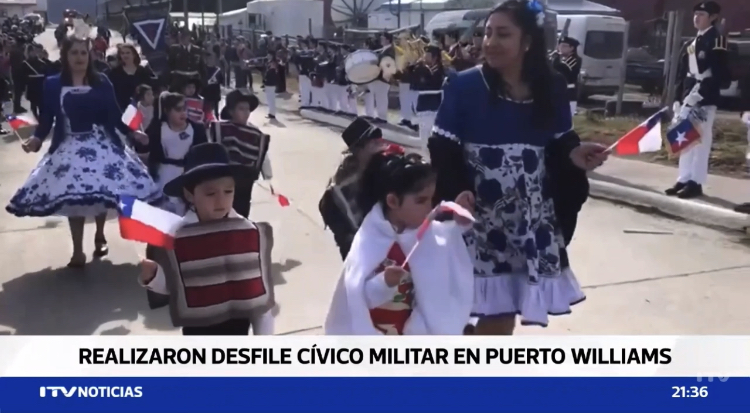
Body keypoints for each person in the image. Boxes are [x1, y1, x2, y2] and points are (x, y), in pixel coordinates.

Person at [428, 0, 608, 335]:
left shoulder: (552, 86)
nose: (490, 42)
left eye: (503, 34)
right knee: (463, 305)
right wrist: (457, 189)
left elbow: (559, 141)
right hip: (478, 215)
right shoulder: (464, 87)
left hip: (527, 217)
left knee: (504, 305)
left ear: (527, 42)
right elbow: (442, 146)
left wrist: (574, 154)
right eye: (487, 33)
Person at [6, 36, 162, 268]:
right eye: (74, 53)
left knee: (102, 192)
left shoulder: (102, 82)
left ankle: (100, 233)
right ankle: (78, 250)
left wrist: (133, 133)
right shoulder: (52, 84)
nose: (80, 57)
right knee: (74, 197)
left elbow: (114, 114)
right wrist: (37, 140)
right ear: (65, 56)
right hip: (69, 145)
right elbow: (47, 118)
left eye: (83, 53)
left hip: (101, 144)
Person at [324, 148, 475, 335]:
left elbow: (445, 244)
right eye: (421, 201)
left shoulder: (428, 233)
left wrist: (459, 221)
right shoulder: (370, 239)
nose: (430, 207)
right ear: (393, 201)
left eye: (431, 199)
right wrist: (384, 282)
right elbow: (356, 296)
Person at [139, 142, 276, 335]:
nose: (221, 200)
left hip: (237, 329)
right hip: (198, 331)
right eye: (210, 193)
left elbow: (260, 300)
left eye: (228, 191)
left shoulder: (247, 234)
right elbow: (178, 286)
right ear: (189, 194)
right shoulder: (177, 237)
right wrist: (154, 277)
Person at [665, 1, 730, 199]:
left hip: (704, 99)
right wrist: (678, 97)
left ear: (713, 17)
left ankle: (696, 182)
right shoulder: (690, 44)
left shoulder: (716, 40)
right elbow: (682, 74)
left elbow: (719, 75)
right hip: (687, 98)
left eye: (702, 14)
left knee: (700, 142)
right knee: (685, 139)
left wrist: (699, 95)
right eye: (696, 14)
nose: (696, 18)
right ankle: (684, 178)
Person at [319, 117, 386, 260]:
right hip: (360, 256)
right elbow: (344, 239)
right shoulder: (339, 191)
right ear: (359, 149)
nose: (379, 144)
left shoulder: (383, 171)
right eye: (372, 141)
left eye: (379, 139)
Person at [141, 92, 209, 215]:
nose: (183, 113)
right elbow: (142, 150)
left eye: (184, 108)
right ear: (167, 110)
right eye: (178, 109)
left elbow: (204, 156)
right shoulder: (157, 128)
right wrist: (143, 142)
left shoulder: (197, 129)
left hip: (188, 175)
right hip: (163, 175)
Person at [212, 89, 271, 218]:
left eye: (248, 109)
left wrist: (269, 177)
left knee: (241, 213)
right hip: (224, 179)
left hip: (245, 181)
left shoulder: (255, 133)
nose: (246, 113)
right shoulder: (220, 129)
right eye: (241, 109)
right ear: (231, 111)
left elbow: (262, 154)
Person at [412, 44, 445, 149]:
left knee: (431, 136)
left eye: (428, 55)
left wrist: (421, 70)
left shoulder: (439, 71)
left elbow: (433, 84)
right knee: (423, 136)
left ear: (435, 57)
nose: (425, 57)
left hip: (433, 107)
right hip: (423, 106)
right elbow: (414, 85)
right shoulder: (422, 69)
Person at [106, 44, 154, 112]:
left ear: (134, 54)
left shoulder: (142, 71)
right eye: (122, 53)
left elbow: (149, 88)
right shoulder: (115, 73)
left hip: (141, 109)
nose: (125, 55)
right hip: (122, 109)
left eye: (128, 53)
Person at [366, 32, 394, 123]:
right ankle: (380, 115)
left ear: (388, 40)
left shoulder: (390, 50)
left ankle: (383, 117)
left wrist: (376, 63)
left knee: (382, 97)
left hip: (384, 77)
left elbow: (387, 63)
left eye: (383, 38)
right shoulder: (383, 50)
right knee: (379, 97)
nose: (381, 40)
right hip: (379, 77)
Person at [551, 36, 582, 116]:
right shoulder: (562, 59)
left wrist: (555, 58)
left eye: (564, 46)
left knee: (567, 117)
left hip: (569, 93)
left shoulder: (574, 60)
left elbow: (561, 69)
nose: (560, 47)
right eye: (560, 45)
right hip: (558, 93)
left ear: (572, 48)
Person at [21, 43, 47, 119]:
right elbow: (22, 76)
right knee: (33, 104)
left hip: (40, 85)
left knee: (41, 104)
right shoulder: (25, 64)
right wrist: (23, 88)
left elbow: (45, 74)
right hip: (31, 86)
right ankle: (35, 117)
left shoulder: (42, 63)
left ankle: (42, 118)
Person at [202, 52, 223, 120]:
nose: (211, 60)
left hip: (215, 93)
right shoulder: (203, 69)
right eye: (209, 59)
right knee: (205, 110)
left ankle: (216, 122)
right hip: (205, 93)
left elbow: (222, 81)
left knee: (216, 112)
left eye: (213, 59)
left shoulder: (218, 70)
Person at [263, 54, 278, 120]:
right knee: (269, 100)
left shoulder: (273, 71)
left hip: (270, 86)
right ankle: (270, 113)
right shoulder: (270, 70)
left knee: (271, 100)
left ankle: (272, 114)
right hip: (269, 85)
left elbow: (269, 78)